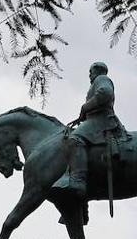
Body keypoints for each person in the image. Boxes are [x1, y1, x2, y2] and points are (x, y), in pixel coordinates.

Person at [52, 61, 124, 197]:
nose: (89, 75)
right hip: (95, 119)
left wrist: (85, 107)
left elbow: (105, 93)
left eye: (90, 72)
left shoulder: (101, 79)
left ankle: (78, 180)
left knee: (74, 139)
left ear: (97, 70)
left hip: (101, 120)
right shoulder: (97, 82)